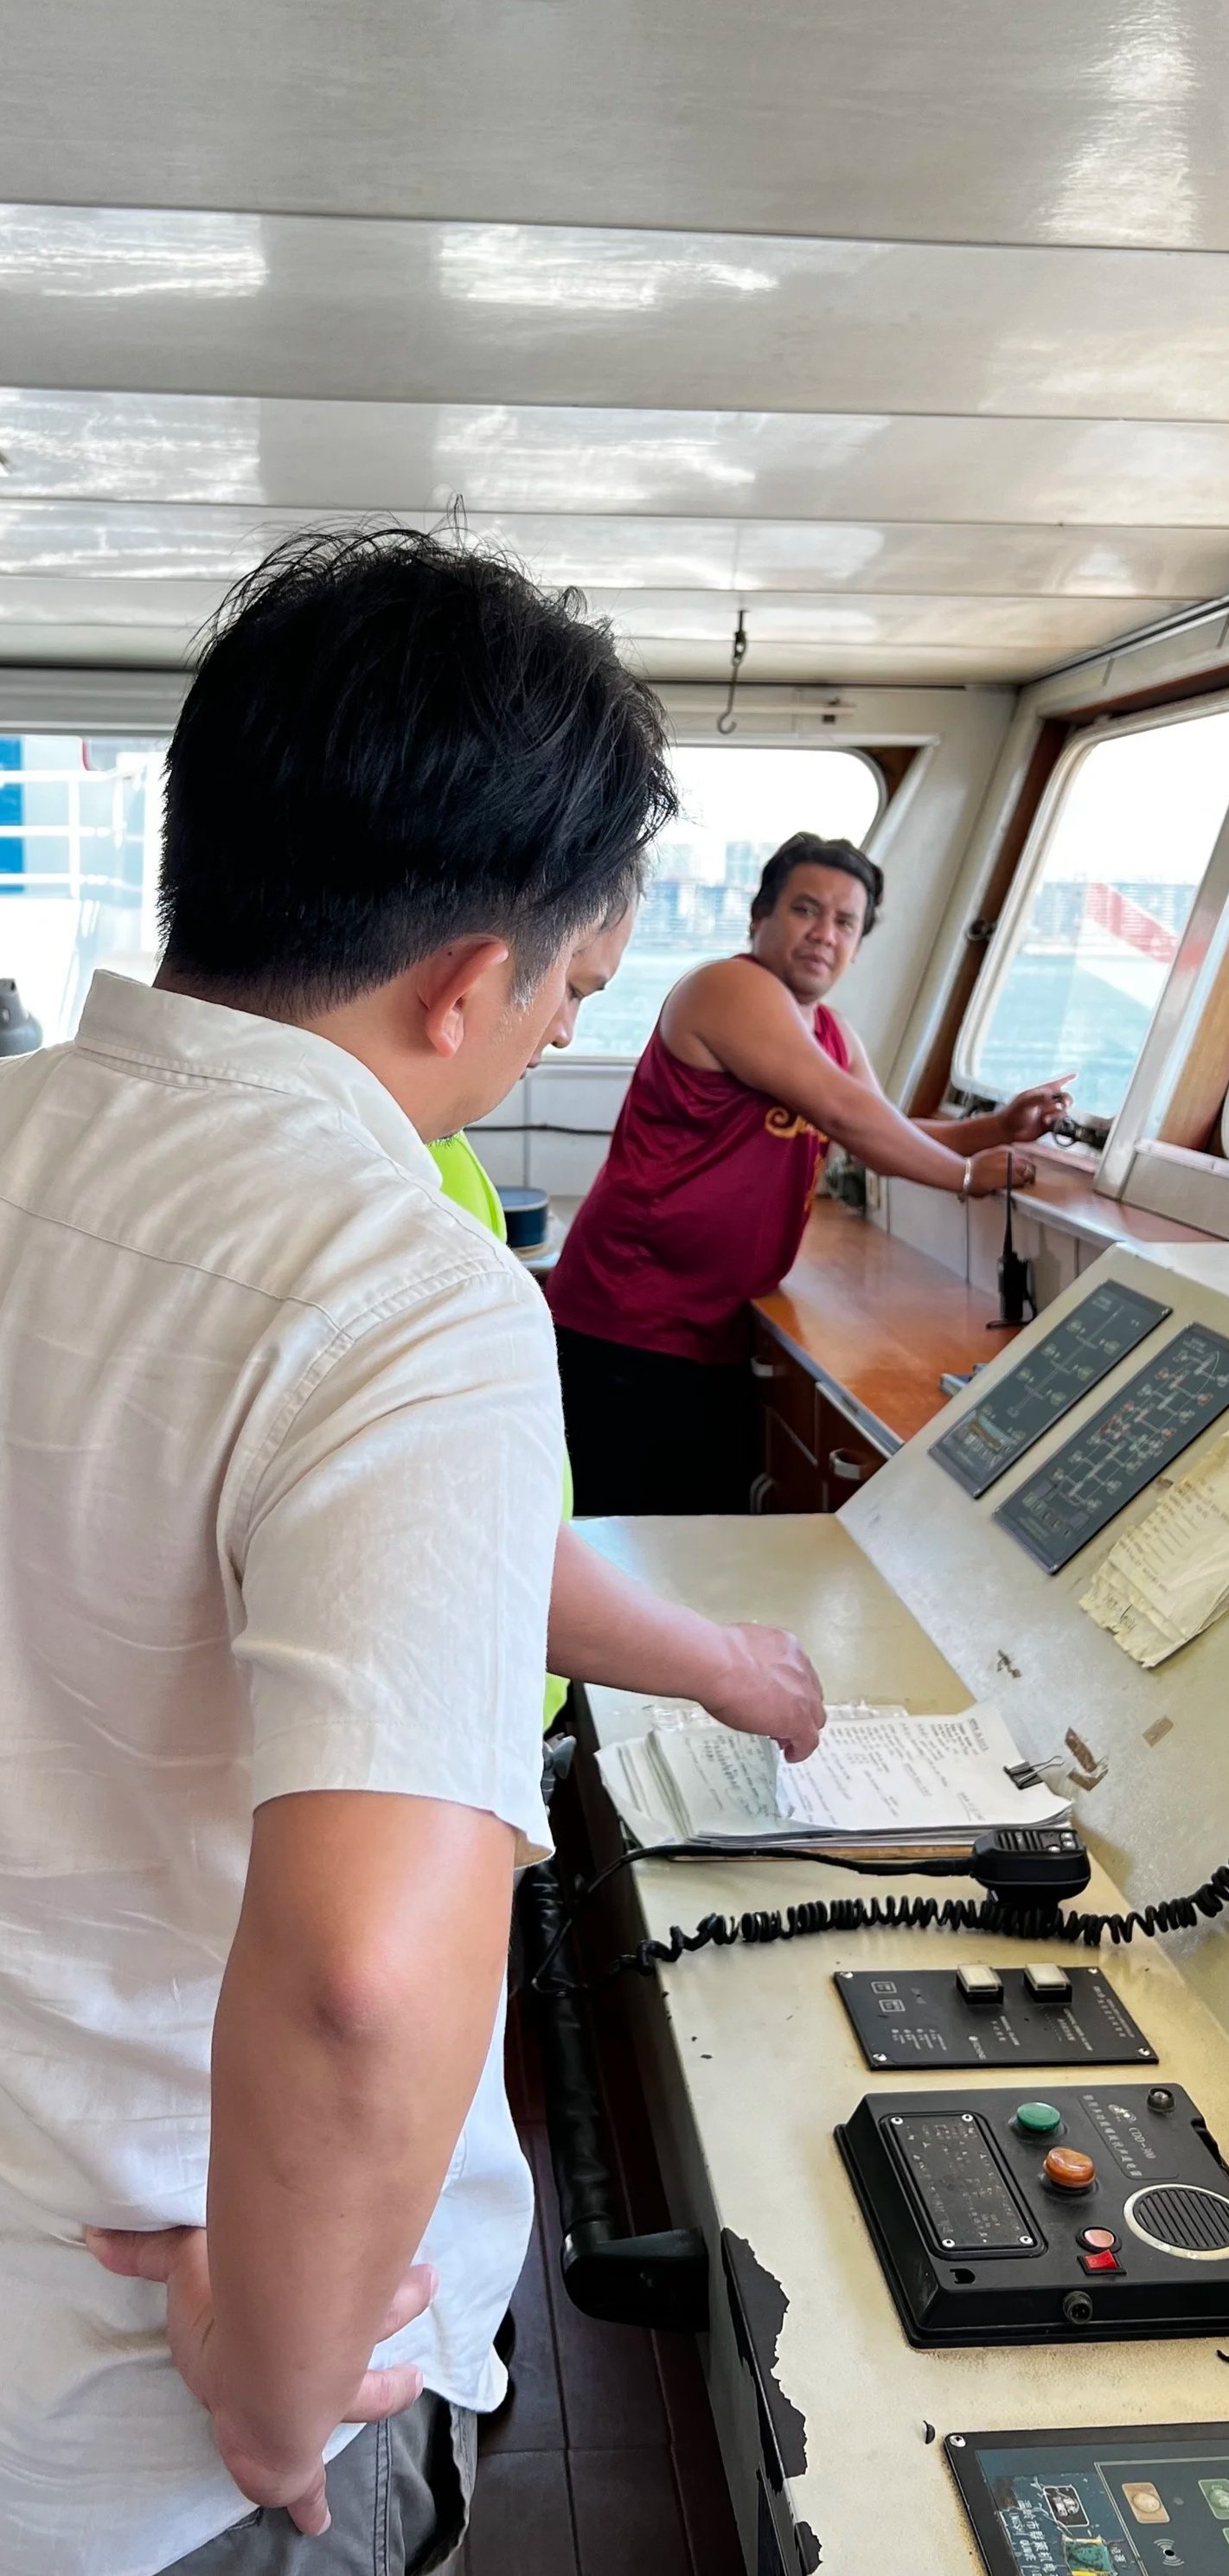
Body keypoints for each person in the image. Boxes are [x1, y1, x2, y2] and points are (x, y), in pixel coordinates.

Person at [0, 528, 824, 2576]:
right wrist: (277, 2395)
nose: (557, 1034)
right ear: (473, 974)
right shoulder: (403, 1288)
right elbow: (367, 1974)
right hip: (176, 2415)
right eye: (570, 990)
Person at [547, 830, 1071, 1514]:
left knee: (697, 1542)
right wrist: (968, 1179)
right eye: (805, 910)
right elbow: (848, 1114)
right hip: (628, 1324)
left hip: (712, 1326)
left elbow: (884, 1127)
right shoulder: (729, 986)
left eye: (845, 921)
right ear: (759, 917)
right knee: (627, 1540)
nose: (825, 932)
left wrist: (998, 1129)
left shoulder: (829, 1031)